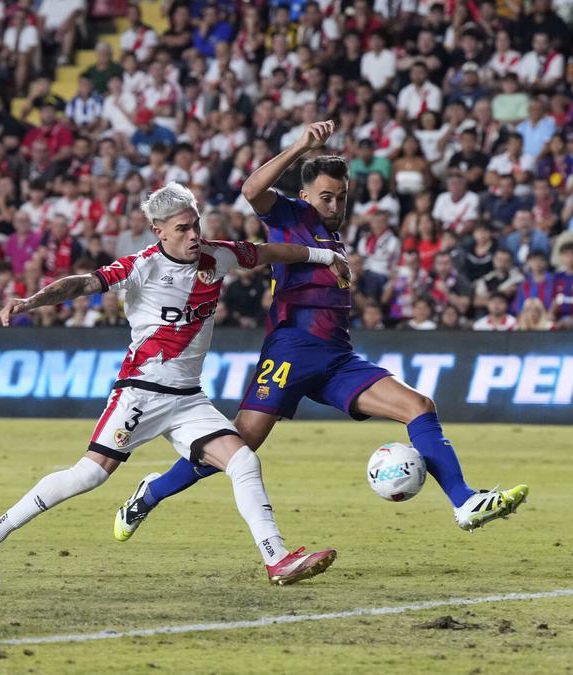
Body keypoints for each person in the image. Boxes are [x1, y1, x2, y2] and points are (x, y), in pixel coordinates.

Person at [125, 121, 528, 541]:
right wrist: (300, 145)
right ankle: (150, 493)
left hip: (337, 356)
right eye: (326, 197)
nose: (334, 205)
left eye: (340, 197)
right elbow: (250, 190)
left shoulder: (333, 235)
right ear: (304, 197)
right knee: (240, 444)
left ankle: (464, 502)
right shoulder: (292, 215)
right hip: (291, 350)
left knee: (419, 406)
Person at [0, 180, 344, 586]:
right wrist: (31, 302)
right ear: (159, 231)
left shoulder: (218, 255)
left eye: (195, 225)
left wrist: (321, 254)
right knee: (89, 475)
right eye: (182, 229)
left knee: (244, 460)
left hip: (188, 399)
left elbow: (265, 253)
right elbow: (81, 283)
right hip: (141, 392)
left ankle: (277, 559)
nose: (193, 235)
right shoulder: (140, 267)